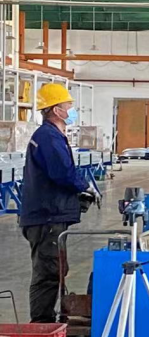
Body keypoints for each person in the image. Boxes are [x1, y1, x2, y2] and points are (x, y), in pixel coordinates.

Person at [20, 83, 97, 323]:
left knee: (56, 269)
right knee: (48, 272)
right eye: (68, 106)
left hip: (49, 215)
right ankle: (41, 326)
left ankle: (48, 321)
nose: (72, 110)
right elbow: (62, 172)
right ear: (56, 110)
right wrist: (85, 187)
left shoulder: (52, 135)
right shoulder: (48, 137)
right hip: (47, 217)